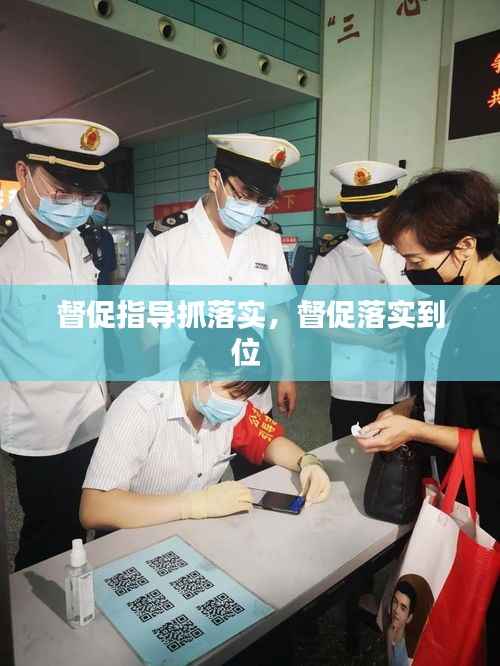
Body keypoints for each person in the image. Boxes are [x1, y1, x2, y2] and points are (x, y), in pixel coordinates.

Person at [353, 170, 500, 663]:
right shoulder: (456, 299)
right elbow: (449, 388)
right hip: (451, 484)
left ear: (465, 246)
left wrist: (416, 429)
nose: (410, 272)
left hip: (488, 502)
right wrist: (407, 409)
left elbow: (496, 438)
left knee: (475, 613)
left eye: (416, 260)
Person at [125, 133, 300, 478]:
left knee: (259, 485)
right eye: (245, 194)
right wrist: (153, 389)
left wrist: (286, 372)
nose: (252, 207)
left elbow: (277, 312)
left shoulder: (268, 238)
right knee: (186, 489)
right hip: (187, 399)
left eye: (263, 200)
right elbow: (142, 317)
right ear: (215, 179)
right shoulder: (167, 238)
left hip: (250, 396)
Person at [0, 118, 119, 570]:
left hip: (94, 416)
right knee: (50, 538)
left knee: (100, 525)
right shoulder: (6, 249)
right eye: (62, 190)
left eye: (85, 195)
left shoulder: (81, 237)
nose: (75, 205)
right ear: (24, 173)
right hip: (43, 431)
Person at [80, 327, 330, 529]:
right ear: (200, 369)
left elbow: (269, 442)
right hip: (136, 537)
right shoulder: (140, 409)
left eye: (244, 398)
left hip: (195, 532)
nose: (238, 406)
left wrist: (307, 462)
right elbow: (95, 508)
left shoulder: (226, 404)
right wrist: (193, 505)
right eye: (234, 394)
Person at [307, 161, 411, 441]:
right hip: (352, 388)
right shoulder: (333, 256)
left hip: (403, 384)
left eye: (374, 215)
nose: (364, 223)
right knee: (351, 453)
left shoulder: (410, 250)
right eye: (355, 215)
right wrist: (366, 339)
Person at [79, 193, 117, 285]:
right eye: (93, 208)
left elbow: (111, 269)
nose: (96, 212)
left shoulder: (107, 237)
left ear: (107, 212)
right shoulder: (76, 235)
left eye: (101, 209)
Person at [387, 580, 416, 666]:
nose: (396, 610)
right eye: (395, 602)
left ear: (409, 618)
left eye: (403, 608)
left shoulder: (405, 659)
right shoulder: (389, 630)